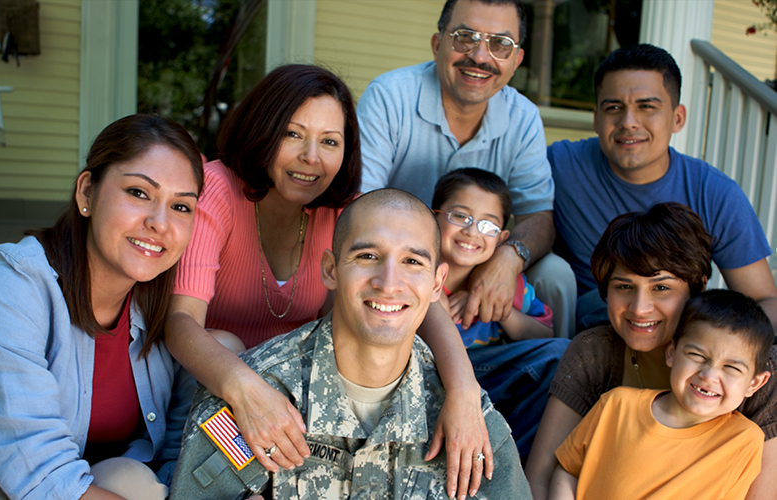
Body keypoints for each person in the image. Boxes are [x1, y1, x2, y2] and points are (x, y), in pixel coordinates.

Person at [165, 64, 492, 500]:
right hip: (214, 380)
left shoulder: (345, 213)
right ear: (263, 130)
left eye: (330, 142)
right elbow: (180, 324)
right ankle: (177, 472)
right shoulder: (217, 191)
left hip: (298, 387)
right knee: (225, 347)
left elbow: (420, 296)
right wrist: (245, 386)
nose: (312, 158)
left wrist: (465, 390)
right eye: (293, 134)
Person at [169, 189, 532, 499]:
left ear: (437, 284)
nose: (389, 283)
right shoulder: (251, 401)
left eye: (412, 261)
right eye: (367, 257)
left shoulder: (469, 422)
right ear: (330, 270)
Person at [0, 114, 204, 500]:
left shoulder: (157, 304)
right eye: (139, 193)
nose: (160, 223)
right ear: (86, 192)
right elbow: (40, 475)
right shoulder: (14, 287)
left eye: (181, 207)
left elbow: (182, 452)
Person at [524, 202, 777, 500]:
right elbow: (541, 478)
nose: (639, 308)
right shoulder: (595, 352)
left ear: (697, 289)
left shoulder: (755, 374)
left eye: (661, 288)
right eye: (624, 287)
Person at [356, 0, 577, 338]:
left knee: (556, 274)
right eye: (465, 37)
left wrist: (507, 258)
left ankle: (556, 379)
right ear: (437, 44)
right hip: (398, 256)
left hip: (477, 254)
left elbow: (539, 219)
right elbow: (362, 206)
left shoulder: (523, 117)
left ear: (516, 60)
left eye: (500, 44)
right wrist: (423, 274)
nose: (481, 56)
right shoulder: (390, 97)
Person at [548, 43, 777, 333]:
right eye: (614, 108)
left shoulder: (714, 193)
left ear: (677, 118)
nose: (628, 123)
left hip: (675, 335)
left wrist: (722, 343)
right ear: (596, 118)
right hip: (594, 331)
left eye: (647, 107)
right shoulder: (560, 165)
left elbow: (763, 298)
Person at [549, 290, 772, 500]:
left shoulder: (746, 441)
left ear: (755, 383)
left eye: (732, 368)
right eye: (697, 355)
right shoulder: (616, 405)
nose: (709, 375)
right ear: (672, 354)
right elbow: (568, 470)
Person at [431, 168, 569, 457]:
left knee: (561, 354)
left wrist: (501, 310)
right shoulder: (419, 270)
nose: (471, 231)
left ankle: (513, 462)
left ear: (502, 237)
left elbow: (546, 334)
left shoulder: (506, 285)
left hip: (489, 374)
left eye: (488, 225)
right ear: (433, 217)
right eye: (460, 216)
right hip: (430, 378)